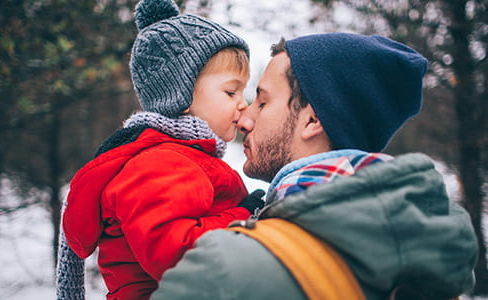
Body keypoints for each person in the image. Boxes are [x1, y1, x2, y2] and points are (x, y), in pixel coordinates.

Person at [149, 33, 479, 300]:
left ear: (312, 120)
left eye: (263, 102)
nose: (245, 119)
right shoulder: (431, 256)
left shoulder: (225, 269)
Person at [55, 0, 265, 299]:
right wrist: (244, 217)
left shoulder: (183, 156)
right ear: (181, 94)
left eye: (243, 91)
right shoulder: (161, 163)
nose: (242, 102)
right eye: (231, 91)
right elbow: (178, 257)